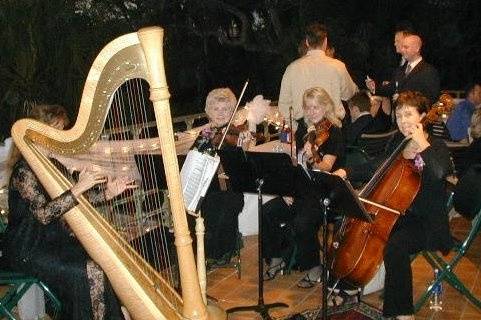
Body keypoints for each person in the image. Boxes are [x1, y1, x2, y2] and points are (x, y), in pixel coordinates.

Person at [4, 104, 135, 320]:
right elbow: (44, 214)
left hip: (55, 241)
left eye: (62, 130)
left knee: (102, 263)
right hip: (28, 247)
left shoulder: (53, 165)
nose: (62, 136)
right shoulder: (24, 171)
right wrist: (78, 188)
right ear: (39, 133)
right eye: (57, 130)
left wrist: (108, 193)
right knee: (85, 271)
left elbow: (74, 201)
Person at [333, 91, 453, 319]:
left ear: (424, 116)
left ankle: (402, 313)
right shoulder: (399, 142)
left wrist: (422, 144)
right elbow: (378, 165)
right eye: (399, 115)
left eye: (409, 114)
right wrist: (347, 171)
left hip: (426, 222)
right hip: (399, 215)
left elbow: (439, 173)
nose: (403, 120)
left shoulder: (436, 146)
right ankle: (348, 283)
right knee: (360, 222)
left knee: (395, 244)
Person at [262, 87, 344, 288]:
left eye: (316, 107)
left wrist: (312, 158)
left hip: (324, 192)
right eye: (308, 108)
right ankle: (276, 258)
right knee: (268, 211)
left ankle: (315, 266)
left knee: (302, 222)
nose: (311, 112)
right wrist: (288, 190)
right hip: (302, 190)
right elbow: (296, 166)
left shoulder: (335, 132)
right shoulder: (307, 132)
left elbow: (327, 167)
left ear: (326, 107)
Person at [191, 88, 269, 265]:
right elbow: (194, 160)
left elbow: (246, 165)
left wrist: (244, 146)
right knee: (200, 208)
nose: (220, 113)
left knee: (224, 208)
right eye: (216, 109)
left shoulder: (237, 134)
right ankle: (204, 251)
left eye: (225, 109)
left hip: (232, 190)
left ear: (232, 112)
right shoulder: (205, 134)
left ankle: (223, 251)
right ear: (208, 112)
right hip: (208, 188)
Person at [278, 23, 358, 124]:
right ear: (325, 42)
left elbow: (284, 106)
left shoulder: (291, 69)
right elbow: (350, 94)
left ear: (307, 42)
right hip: (332, 126)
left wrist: (295, 127)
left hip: (304, 128)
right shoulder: (338, 66)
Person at [366, 33, 440, 105]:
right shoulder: (400, 70)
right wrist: (374, 88)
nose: (402, 50)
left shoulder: (429, 72)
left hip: (417, 116)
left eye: (406, 47)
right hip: (400, 115)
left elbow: (431, 99)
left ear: (417, 49)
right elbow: (392, 88)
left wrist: (404, 99)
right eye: (402, 47)